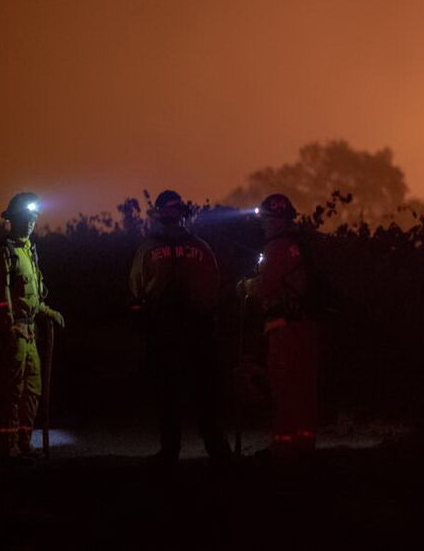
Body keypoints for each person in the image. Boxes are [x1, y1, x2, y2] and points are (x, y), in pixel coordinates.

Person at [129, 190, 231, 465]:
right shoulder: (201, 248)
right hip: (196, 329)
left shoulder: (148, 249)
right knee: (203, 391)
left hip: (165, 329)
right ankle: (216, 448)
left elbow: (137, 286)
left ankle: (171, 449)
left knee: (169, 392)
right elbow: (214, 285)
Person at [0, 192, 65, 465]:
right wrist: (8, 326)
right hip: (15, 332)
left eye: (34, 217)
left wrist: (48, 311)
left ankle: (24, 444)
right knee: (12, 391)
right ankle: (6, 450)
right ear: (13, 219)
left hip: (31, 333)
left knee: (33, 389)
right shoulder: (3, 251)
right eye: (26, 217)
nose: (31, 222)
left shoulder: (30, 251)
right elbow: (1, 294)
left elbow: (34, 297)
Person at [242, 193, 321, 457]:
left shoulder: (276, 247)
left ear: (273, 219)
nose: (263, 224)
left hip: (284, 327)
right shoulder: (300, 245)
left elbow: (265, 287)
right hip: (306, 325)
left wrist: (244, 287)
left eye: (265, 219)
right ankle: (304, 444)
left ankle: (283, 445)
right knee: (302, 388)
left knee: (284, 387)